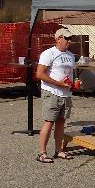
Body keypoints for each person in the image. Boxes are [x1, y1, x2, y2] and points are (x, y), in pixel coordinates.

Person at [34, 27, 77, 163]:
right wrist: (59, 84)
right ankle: (42, 153)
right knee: (49, 121)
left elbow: (71, 74)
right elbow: (39, 74)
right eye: (66, 38)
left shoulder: (70, 55)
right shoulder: (49, 53)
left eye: (70, 39)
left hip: (66, 93)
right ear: (58, 39)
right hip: (52, 93)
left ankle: (59, 150)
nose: (69, 41)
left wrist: (75, 83)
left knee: (61, 122)